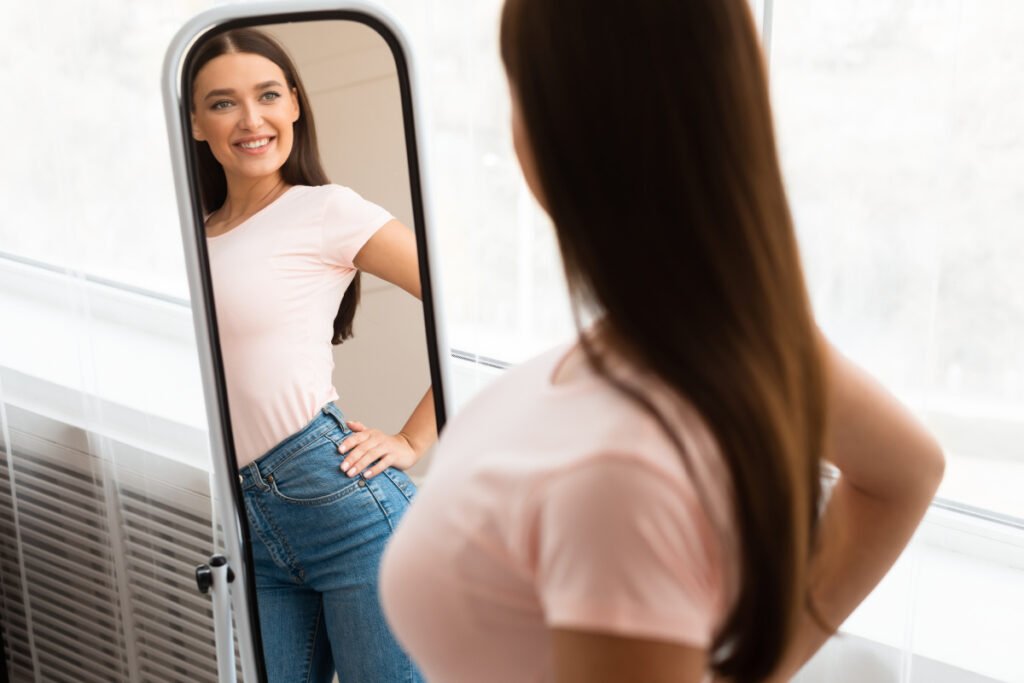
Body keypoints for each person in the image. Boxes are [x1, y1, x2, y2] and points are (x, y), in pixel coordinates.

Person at [379, 1, 945, 682]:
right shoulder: (713, 326)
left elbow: (904, 473)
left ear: (559, 123)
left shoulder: (620, 473)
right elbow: (907, 467)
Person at [188, 28, 430, 683]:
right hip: (246, 516)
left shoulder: (326, 211)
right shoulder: (191, 239)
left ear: (294, 103)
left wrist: (412, 438)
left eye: (267, 94)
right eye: (222, 102)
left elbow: (455, 302)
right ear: (194, 122)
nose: (251, 119)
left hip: (339, 502)